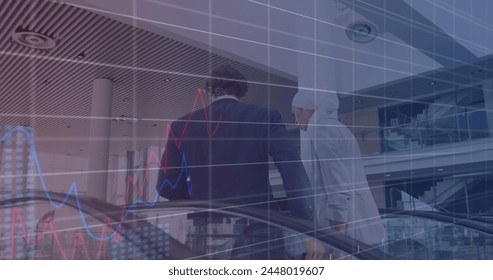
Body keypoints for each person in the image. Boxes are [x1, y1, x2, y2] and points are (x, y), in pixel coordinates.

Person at [156, 65, 324, 259]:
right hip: (258, 229)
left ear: (209, 91)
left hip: (203, 231)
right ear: (241, 91)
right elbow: (292, 171)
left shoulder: (180, 126)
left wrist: (199, 201)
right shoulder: (264, 117)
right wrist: (306, 229)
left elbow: (166, 186)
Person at [292, 90, 386, 246]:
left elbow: (337, 188)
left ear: (306, 110)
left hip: (349, 233)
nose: (295, 121)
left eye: (295, 113)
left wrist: (339, 244)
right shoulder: (340, 129)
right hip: (360, 227)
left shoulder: (322, 130)